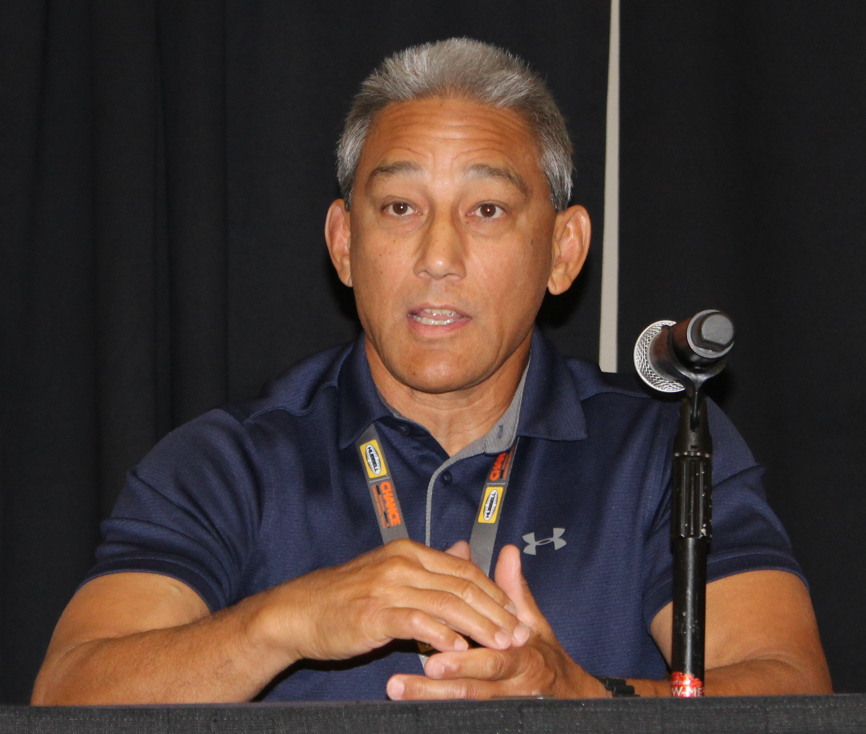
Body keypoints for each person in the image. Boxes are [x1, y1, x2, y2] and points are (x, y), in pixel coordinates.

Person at [32, 38, 831, 704]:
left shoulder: (660, 450)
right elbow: (69, 693)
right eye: (399, 208)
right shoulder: (229, 461)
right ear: (344, 244)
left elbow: (791, 690)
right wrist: (286, 621)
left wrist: (586, 699)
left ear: (564, 252)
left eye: (486, 210)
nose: (438, 257)